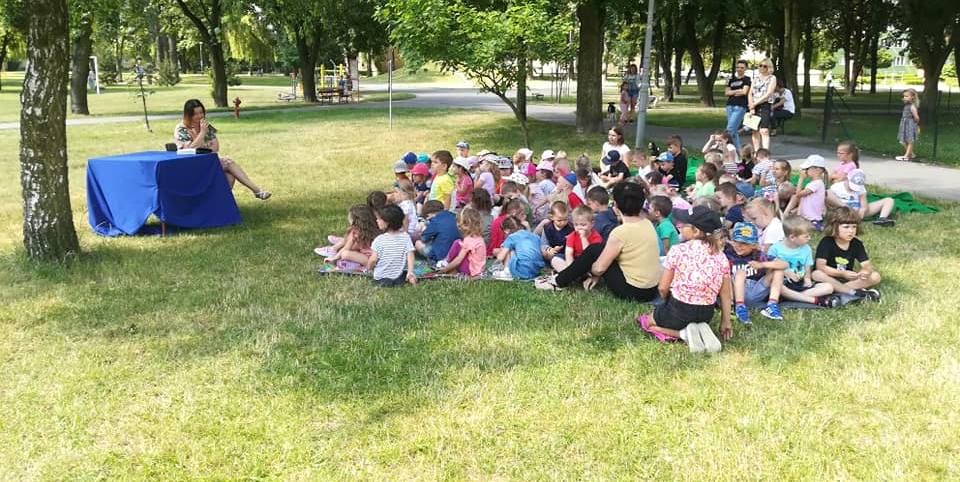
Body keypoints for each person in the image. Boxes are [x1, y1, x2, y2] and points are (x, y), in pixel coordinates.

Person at [534, 182, 660, 302]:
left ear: (615, 205)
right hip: (652, 289)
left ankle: (558, 282)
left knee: (595, 249)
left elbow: (599, 268)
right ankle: (565, 276)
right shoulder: (647, 224)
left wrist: (592, 271)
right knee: (598, 249)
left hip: (632, 291)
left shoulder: (620, 232)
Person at [637, 206, 732, 353]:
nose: (679, 226)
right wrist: (726, 321)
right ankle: (700, 329)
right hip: (706, 313)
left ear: (695, 231)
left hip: (679, 309)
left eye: (683, 224)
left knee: (647, 322)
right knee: (685, 316)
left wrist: (667, 302)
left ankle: (684, 334)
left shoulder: (678, 250)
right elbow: (725, 293)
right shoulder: (721, 256)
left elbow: (663, 288)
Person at [174, 99, 271, 200]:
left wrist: (200, 146)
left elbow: (215, 148)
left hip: (207, 161)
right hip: (190, 165)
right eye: (195, 114)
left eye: (201, 112)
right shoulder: (181, 129)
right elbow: (188, 151)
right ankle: (256, 190)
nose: (200, 116)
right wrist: (202, 135)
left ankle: (218, 204)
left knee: (229, 177)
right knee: (228, 162)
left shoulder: (205, 126)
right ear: (188, 115)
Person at [811, 206, 883, 300]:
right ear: (834, 227)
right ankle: (853, 292)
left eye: (854, 227)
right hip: (829, 278)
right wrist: (842, 273)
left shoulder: (856, 244)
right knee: (816, 274)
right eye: (846, 227)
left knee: (875, 276)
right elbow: (821, 267)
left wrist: (864, 272)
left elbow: (867, 265)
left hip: (847, 280)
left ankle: (837, 290)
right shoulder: (826, 242)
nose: (851, 231)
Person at [769, 215, 839, 307]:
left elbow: (807, 266)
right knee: (777, 288)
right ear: (792, 237)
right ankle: (800, 297)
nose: (809, 238)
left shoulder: (806, 249)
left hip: (800, 284)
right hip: (783, 283)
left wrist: (807, 278)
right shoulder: (775, 249)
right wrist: (786, 272)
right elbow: (769, 268)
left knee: (829, 287)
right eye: (806, 236)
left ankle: (792, 297)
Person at [725, 221, 786, 323]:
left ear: (753, 245)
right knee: (741, 272)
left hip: (756, 289)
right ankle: (739, 308)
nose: (739, 246)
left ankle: (772, 305)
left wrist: (762, 265)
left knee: (779, 270)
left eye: (744, 243)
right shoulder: (728, 253)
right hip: (735, 291)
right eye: (736, 242)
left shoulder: (758, 255)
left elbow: (784, 264)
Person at [367, 204, 417, 287]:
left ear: (387, 222)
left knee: (382, 280)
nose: (376, 220)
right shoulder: (406, 237)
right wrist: (410, 271)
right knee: (401, 277)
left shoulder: (379, 239)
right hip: (399, 276)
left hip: (381, 277)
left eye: (379, 218)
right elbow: (410, 255)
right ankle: (407, 279)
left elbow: (373, 259)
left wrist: (369, 269)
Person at [826, 169, 896, 227]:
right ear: (847, 179)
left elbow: (864, 204)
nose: (854, 189)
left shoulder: (861, 189)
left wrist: (862, 211)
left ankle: (882, 219)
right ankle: (845, 216)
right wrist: (846, 207)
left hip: (857, 210)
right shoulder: (837, 187)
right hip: (843, 209)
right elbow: (829, 198)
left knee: (889, 200)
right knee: (827, 193)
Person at [436, 208, 487, 278]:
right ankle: (448, 265)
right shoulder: (479, 238)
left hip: (471, 271)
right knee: (459, 244)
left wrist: (445, 269)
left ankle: (446, 263)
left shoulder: (469, 240)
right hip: (479, 270)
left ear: (466, 224)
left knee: (457, 243)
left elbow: (459, 260)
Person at [785, 155, 827, 230]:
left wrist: (801, 178)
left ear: (818, 170)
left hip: (812, 217)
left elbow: (798, 194)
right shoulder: (814, 183)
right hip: (807, 216)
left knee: (804, 226)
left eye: (807, 169)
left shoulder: (816, 184)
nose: (805, 171)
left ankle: (819, 227)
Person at [555, 205, 603, 271]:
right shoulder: (572, 236)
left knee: (597, 264)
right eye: (576, 225)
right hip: (575, 260)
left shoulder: (596, 237)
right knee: (556, 259)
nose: (579, 227)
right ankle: (569, 272)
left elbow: (589, 253)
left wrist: (583, 238)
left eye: (583, 225)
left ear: (592, 224)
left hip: (589, 261)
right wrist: (571, 267)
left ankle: (580, 274)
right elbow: (569, 253)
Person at [747, 58, 777, 150]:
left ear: (769, 67)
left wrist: (755, 103)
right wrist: (751, 107)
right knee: (754, 130)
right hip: (754, 105)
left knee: (764, 130)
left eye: (765, 66)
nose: (762, 68)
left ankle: (765, 151)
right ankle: (756, 151)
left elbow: (769, 93)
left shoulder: (772, 78)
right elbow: (750, 93)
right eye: (760, 65)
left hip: (765, 104)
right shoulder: (756, 78)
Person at [536, 201, 574, 268]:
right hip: (552, 252)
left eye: (565, 219)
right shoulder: (547, 227)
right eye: (559, 220)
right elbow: (544, 243)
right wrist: (550, 249)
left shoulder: (570, 228)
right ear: (552, 217)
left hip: (566, 253)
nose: (563, 223)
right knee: (543, 253)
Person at [725, 59, 752, 151]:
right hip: (730, 106)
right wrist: (737, 91)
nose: (739, 69)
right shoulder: (732, 80)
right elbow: (726, 93)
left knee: (730, 129)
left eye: (742, 67)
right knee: (735, 131)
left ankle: (723, 147)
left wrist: (733, 92)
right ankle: (738, 151)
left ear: (746, 69)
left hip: (740, 106)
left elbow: (744, 92)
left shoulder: (747, 79)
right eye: (738, 67)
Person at [896, 88, 920, 161]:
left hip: (910, 125)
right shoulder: (907, 105)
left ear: (912, 97)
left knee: (910, 141)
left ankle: (906, 156)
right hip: (904, 124)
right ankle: (911, 154)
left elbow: (917, 117)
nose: (904, 98)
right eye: (904, 96)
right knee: (902, 140)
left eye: (906, 96)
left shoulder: (912, 106)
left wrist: (915, 124)